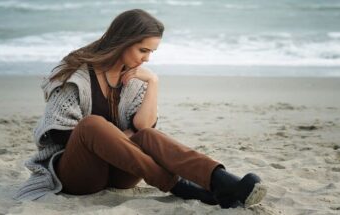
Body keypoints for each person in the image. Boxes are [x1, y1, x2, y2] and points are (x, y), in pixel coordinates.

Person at [14, 9, 267, 208]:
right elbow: (59, 133)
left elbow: (143, 128)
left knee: (149, 135)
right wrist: (112, 137)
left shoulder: (135, 78)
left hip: (121, 174)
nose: (146, 58)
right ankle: (179, 186)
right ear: (123, 41)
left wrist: (153, 81)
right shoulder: (75, 73)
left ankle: (220, 181)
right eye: (143, 50)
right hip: (78, 175)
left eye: (151, 52)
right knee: (93, 125)